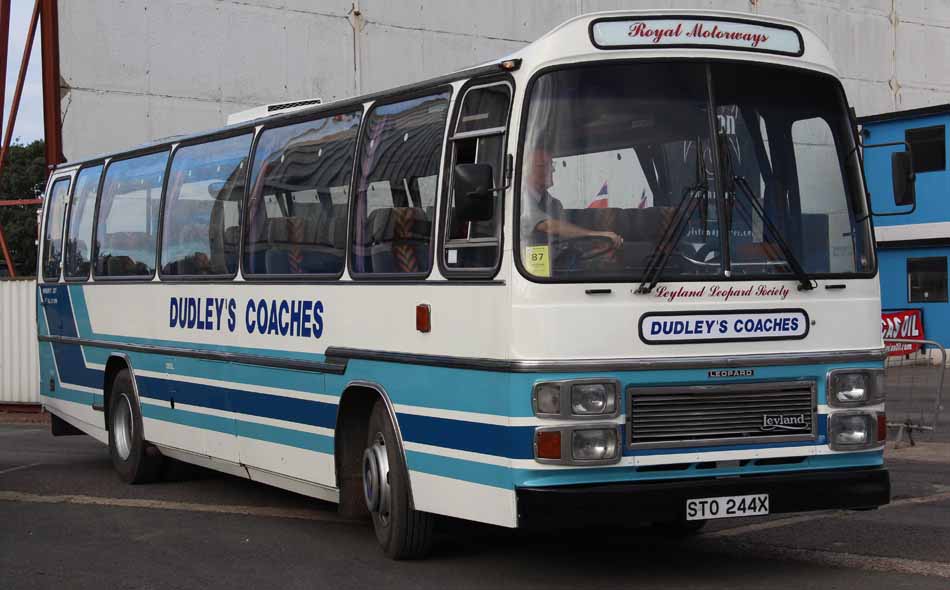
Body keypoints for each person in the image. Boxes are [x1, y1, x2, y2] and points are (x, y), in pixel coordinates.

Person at [521, 148, 624, 250]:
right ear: (527, 170)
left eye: (552, 164)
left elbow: (566, 235)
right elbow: (548, 226)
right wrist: (595, 235)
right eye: (544, 165)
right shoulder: (519, 201)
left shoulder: (554, 203)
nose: (553, 169)